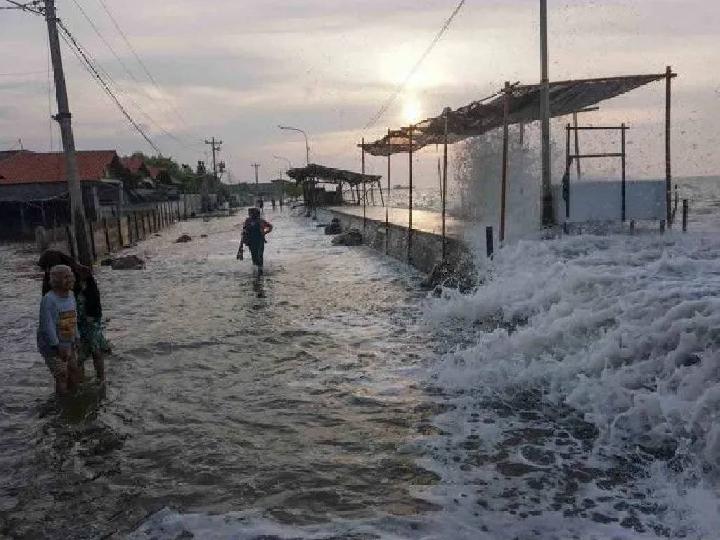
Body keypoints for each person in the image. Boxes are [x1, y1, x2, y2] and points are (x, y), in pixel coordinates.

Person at [38, 250, 107, 383]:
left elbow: (94, 294)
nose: (47, 271)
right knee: (75, 358)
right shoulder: (51, 279)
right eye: (46, 269)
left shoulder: (80, 272)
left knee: (95, 350)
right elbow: (48, 316)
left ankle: (101, 380)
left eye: (48, 267)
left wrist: (93, 315)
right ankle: (79, 384)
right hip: (67, 321)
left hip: (86, 316)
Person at [37, 265, 82, 396]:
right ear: (56, 281)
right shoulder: (49, 299)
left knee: (74, 370)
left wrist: (77, 337)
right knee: (62, 374)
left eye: (71, 275)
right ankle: (63, 405)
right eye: (66, 276)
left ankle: (74, 400)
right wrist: (56, 346)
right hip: (52, 345)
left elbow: (74, 318)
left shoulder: (72, 295)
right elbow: (47, 326)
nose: (71, 279)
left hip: (68, 340)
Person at [241, 207, 273, 275]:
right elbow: (245, 230)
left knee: (260, 255)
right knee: (254, 255)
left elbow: (270, 226)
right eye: (250, 213)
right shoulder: (248, 221)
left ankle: (260, 270)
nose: (250, 214)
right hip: (251, 241)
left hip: (260, 240)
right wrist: (244, 238)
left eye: (251, 213)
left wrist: (265, 232)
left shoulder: (261, 221)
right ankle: (256, 271)